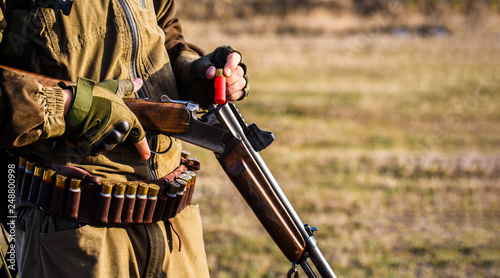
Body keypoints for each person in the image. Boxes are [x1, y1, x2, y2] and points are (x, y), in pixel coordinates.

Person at [0, 0, 249, 277]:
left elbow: (163, 33)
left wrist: (194, 70)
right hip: (74, 236)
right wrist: (69, 104)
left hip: (175, 229)